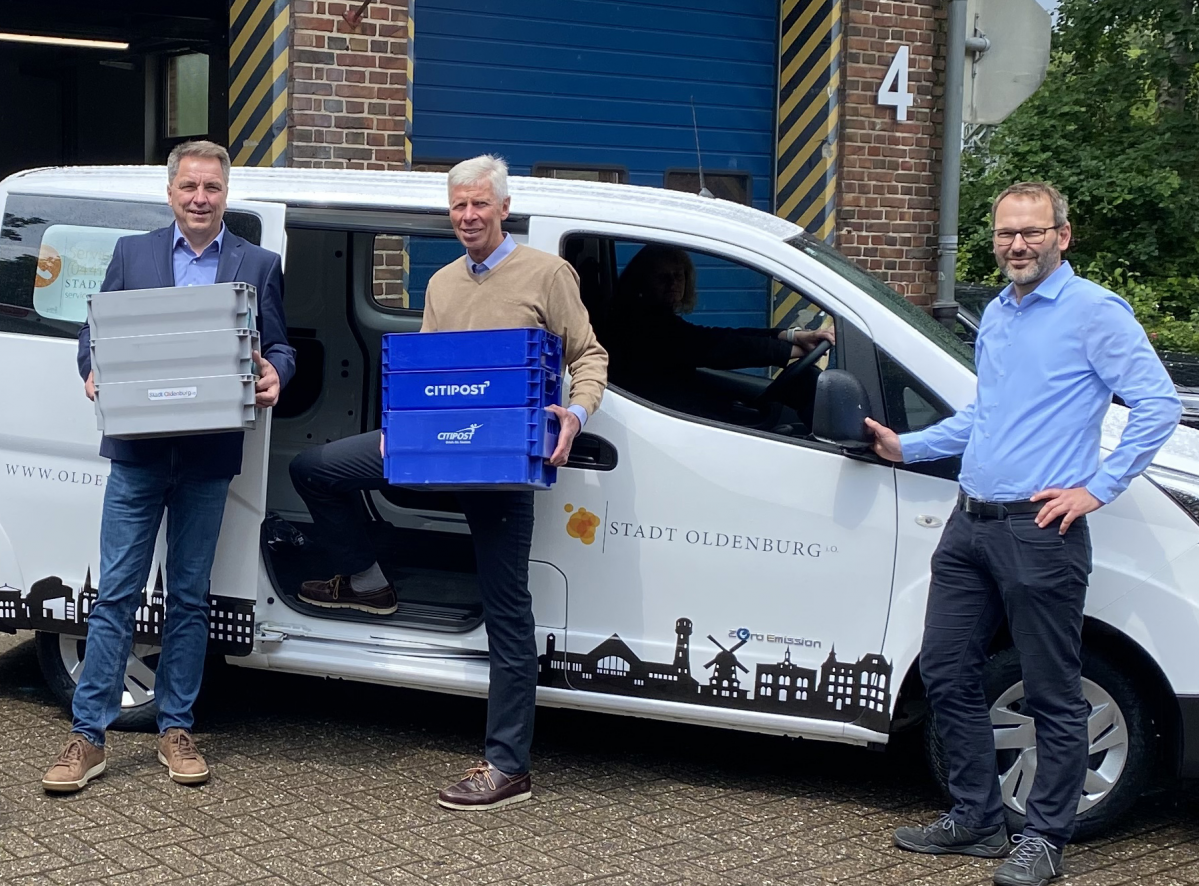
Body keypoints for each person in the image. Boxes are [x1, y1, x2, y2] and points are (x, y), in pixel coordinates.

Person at [869, 181, 1179, 886]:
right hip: (968, 522)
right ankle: (976, 818)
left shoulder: (1092, 311)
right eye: (1006, 233)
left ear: (1061, 236)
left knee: (1050, 690)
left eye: (1031, 232)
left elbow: (1156, 404)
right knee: (946, 671)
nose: (1016, 244)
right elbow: (986, 416)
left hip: (1039, 531)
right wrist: (907, 448)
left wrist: (1097, 488)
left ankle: (1043, 836)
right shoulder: (1001, 316)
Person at [287, 154, 607, 812]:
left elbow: (588, 355)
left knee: (505, 610)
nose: (466, 216)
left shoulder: (546, 273)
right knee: (315, 469)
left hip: (503, 463)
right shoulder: (440, 284)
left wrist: (573, 415)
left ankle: (507, 766)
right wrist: (402, 430)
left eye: (478, 205)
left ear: (502, 208)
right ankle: (367, 581)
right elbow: (431, 371)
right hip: (440, 445)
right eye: (457, 205)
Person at [41, 140, 295, 794]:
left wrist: (276, 372)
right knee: (116, 593)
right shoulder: (133, 255)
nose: (200, 198)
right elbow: (94, 335)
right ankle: (87, 737)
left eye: (211, 188)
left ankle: (176, 728)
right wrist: (92, 368)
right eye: (189, 187)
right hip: (138, 453)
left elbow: (279, 344)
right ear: (171, 192)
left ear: (225, 194)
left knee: (188, 597)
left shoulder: (257, 264)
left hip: (208, 456)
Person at [596, 244, 834, 421]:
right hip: (657, 419)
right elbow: (716, 347)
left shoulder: (655, 317)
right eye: (662, 277)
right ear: (642, 281)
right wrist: (790, 350)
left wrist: (789, 336)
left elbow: (718, 336)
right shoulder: (642, 324)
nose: (673, 284)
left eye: (678, 276)